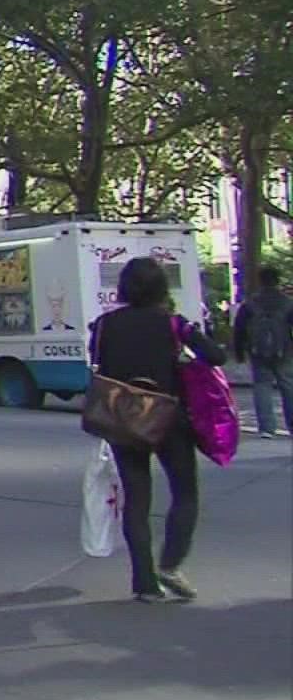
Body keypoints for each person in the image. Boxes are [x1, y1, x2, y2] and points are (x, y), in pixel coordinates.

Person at [89, 256, 227, 603]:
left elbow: (100, 361)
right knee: (185, 493)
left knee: (137, 498)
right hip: (169, 419)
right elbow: (216, 356)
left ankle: (144, 583)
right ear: (161, 289)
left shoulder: (104, 324)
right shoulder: (173, 324)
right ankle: (171, 563)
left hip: (122, 418)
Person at [232, 267, 293, 438]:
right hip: (284, 350)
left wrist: (239, 352)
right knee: (288, 386)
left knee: (261, 386)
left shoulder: (250, 303)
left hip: (257, 351)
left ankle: (266, 428)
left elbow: (240, 329)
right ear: (278, 280)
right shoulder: (287, 302)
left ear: (260, 281)